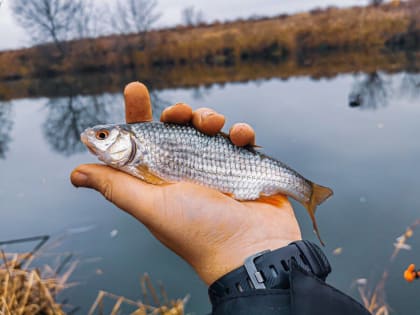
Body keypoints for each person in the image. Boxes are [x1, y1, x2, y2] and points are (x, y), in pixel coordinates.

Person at [71, 82, 372, 315]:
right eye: (102, 136)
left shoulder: (141, 153)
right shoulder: (134, 164)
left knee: (227, 135)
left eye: (103, 137)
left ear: (126, 140)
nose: (95, 140)